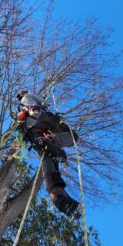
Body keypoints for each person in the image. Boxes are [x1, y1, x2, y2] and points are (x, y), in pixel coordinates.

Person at [16, 90, 81, 219]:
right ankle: (54, 142)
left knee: (47, 158)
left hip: (31, 130)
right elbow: (44, 103)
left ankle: (60, 199)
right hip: (41, 118)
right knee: (72, 136)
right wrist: (45, 104)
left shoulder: (20, 108)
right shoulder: (29, 96)